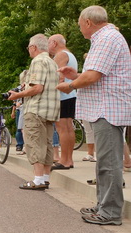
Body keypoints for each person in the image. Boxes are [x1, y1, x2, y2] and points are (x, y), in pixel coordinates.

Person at [57, 5, 131, 225]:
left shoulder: (107, 38)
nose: (80, 29)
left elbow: (93, 77)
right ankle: (103, 206)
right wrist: (76, 75)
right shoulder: (106, 38)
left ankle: (110, 212)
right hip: (104, 108)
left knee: (109, 164)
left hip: (107, 109)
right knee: (104, 163)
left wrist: (70, 85)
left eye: (80, 25)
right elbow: (95, 75)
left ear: (88, 22)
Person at [8, 34, 60, 190]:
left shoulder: (37, 61)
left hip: (36, 109)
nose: (28, 50)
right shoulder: (52, 62)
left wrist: (18, 95)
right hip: (51, 110)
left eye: (29, 47)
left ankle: (37, 180)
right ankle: (45, 178)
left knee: (34, 143)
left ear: (34, 47)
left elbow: (37, 88)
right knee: (47, 144)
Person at [48, 34, 78, 170]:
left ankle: (64, 160)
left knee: (62, 128)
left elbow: (58, 76)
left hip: (62, 95)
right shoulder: (70, 54)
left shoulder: (60, 55)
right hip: (71, 94)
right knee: (69, 128)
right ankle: (69, 159)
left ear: (54, 43)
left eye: (49, 43)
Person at [11, 70, 27, 153]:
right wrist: (13, 111)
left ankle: (25, 146)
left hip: (24, 108)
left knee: (23, 129)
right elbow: (15, 101)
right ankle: (20, 145)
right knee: (19, 128)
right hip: (18, 109)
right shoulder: (18, 88)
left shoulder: (28, 87)